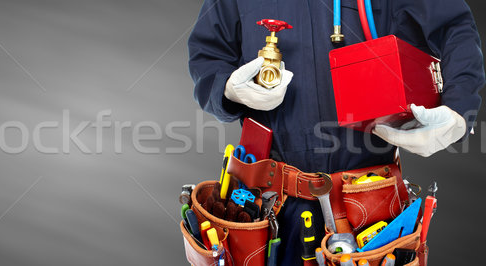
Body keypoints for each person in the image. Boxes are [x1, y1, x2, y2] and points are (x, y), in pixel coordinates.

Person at [187, 0, 484, 265]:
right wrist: (226, 89)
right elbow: (207, 54)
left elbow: (454, 28)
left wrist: (459, 111)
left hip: (369, 212)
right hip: (270, 207)